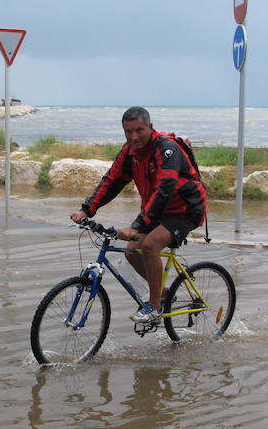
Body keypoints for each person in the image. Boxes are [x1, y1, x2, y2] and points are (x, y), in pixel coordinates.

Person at [70, 106, 207, 324]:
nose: (134, 137)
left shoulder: (167, 149)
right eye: (128, 132)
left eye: (139, 130)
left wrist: (137, 224)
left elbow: (165, 189)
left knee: (150, 245)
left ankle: (154, 307)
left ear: (150, 128)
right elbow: (112, 181)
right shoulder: (130, 152)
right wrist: (87, 209)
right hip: (157, 211)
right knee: (132, 251)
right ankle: (162, 293)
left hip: (185, 209)